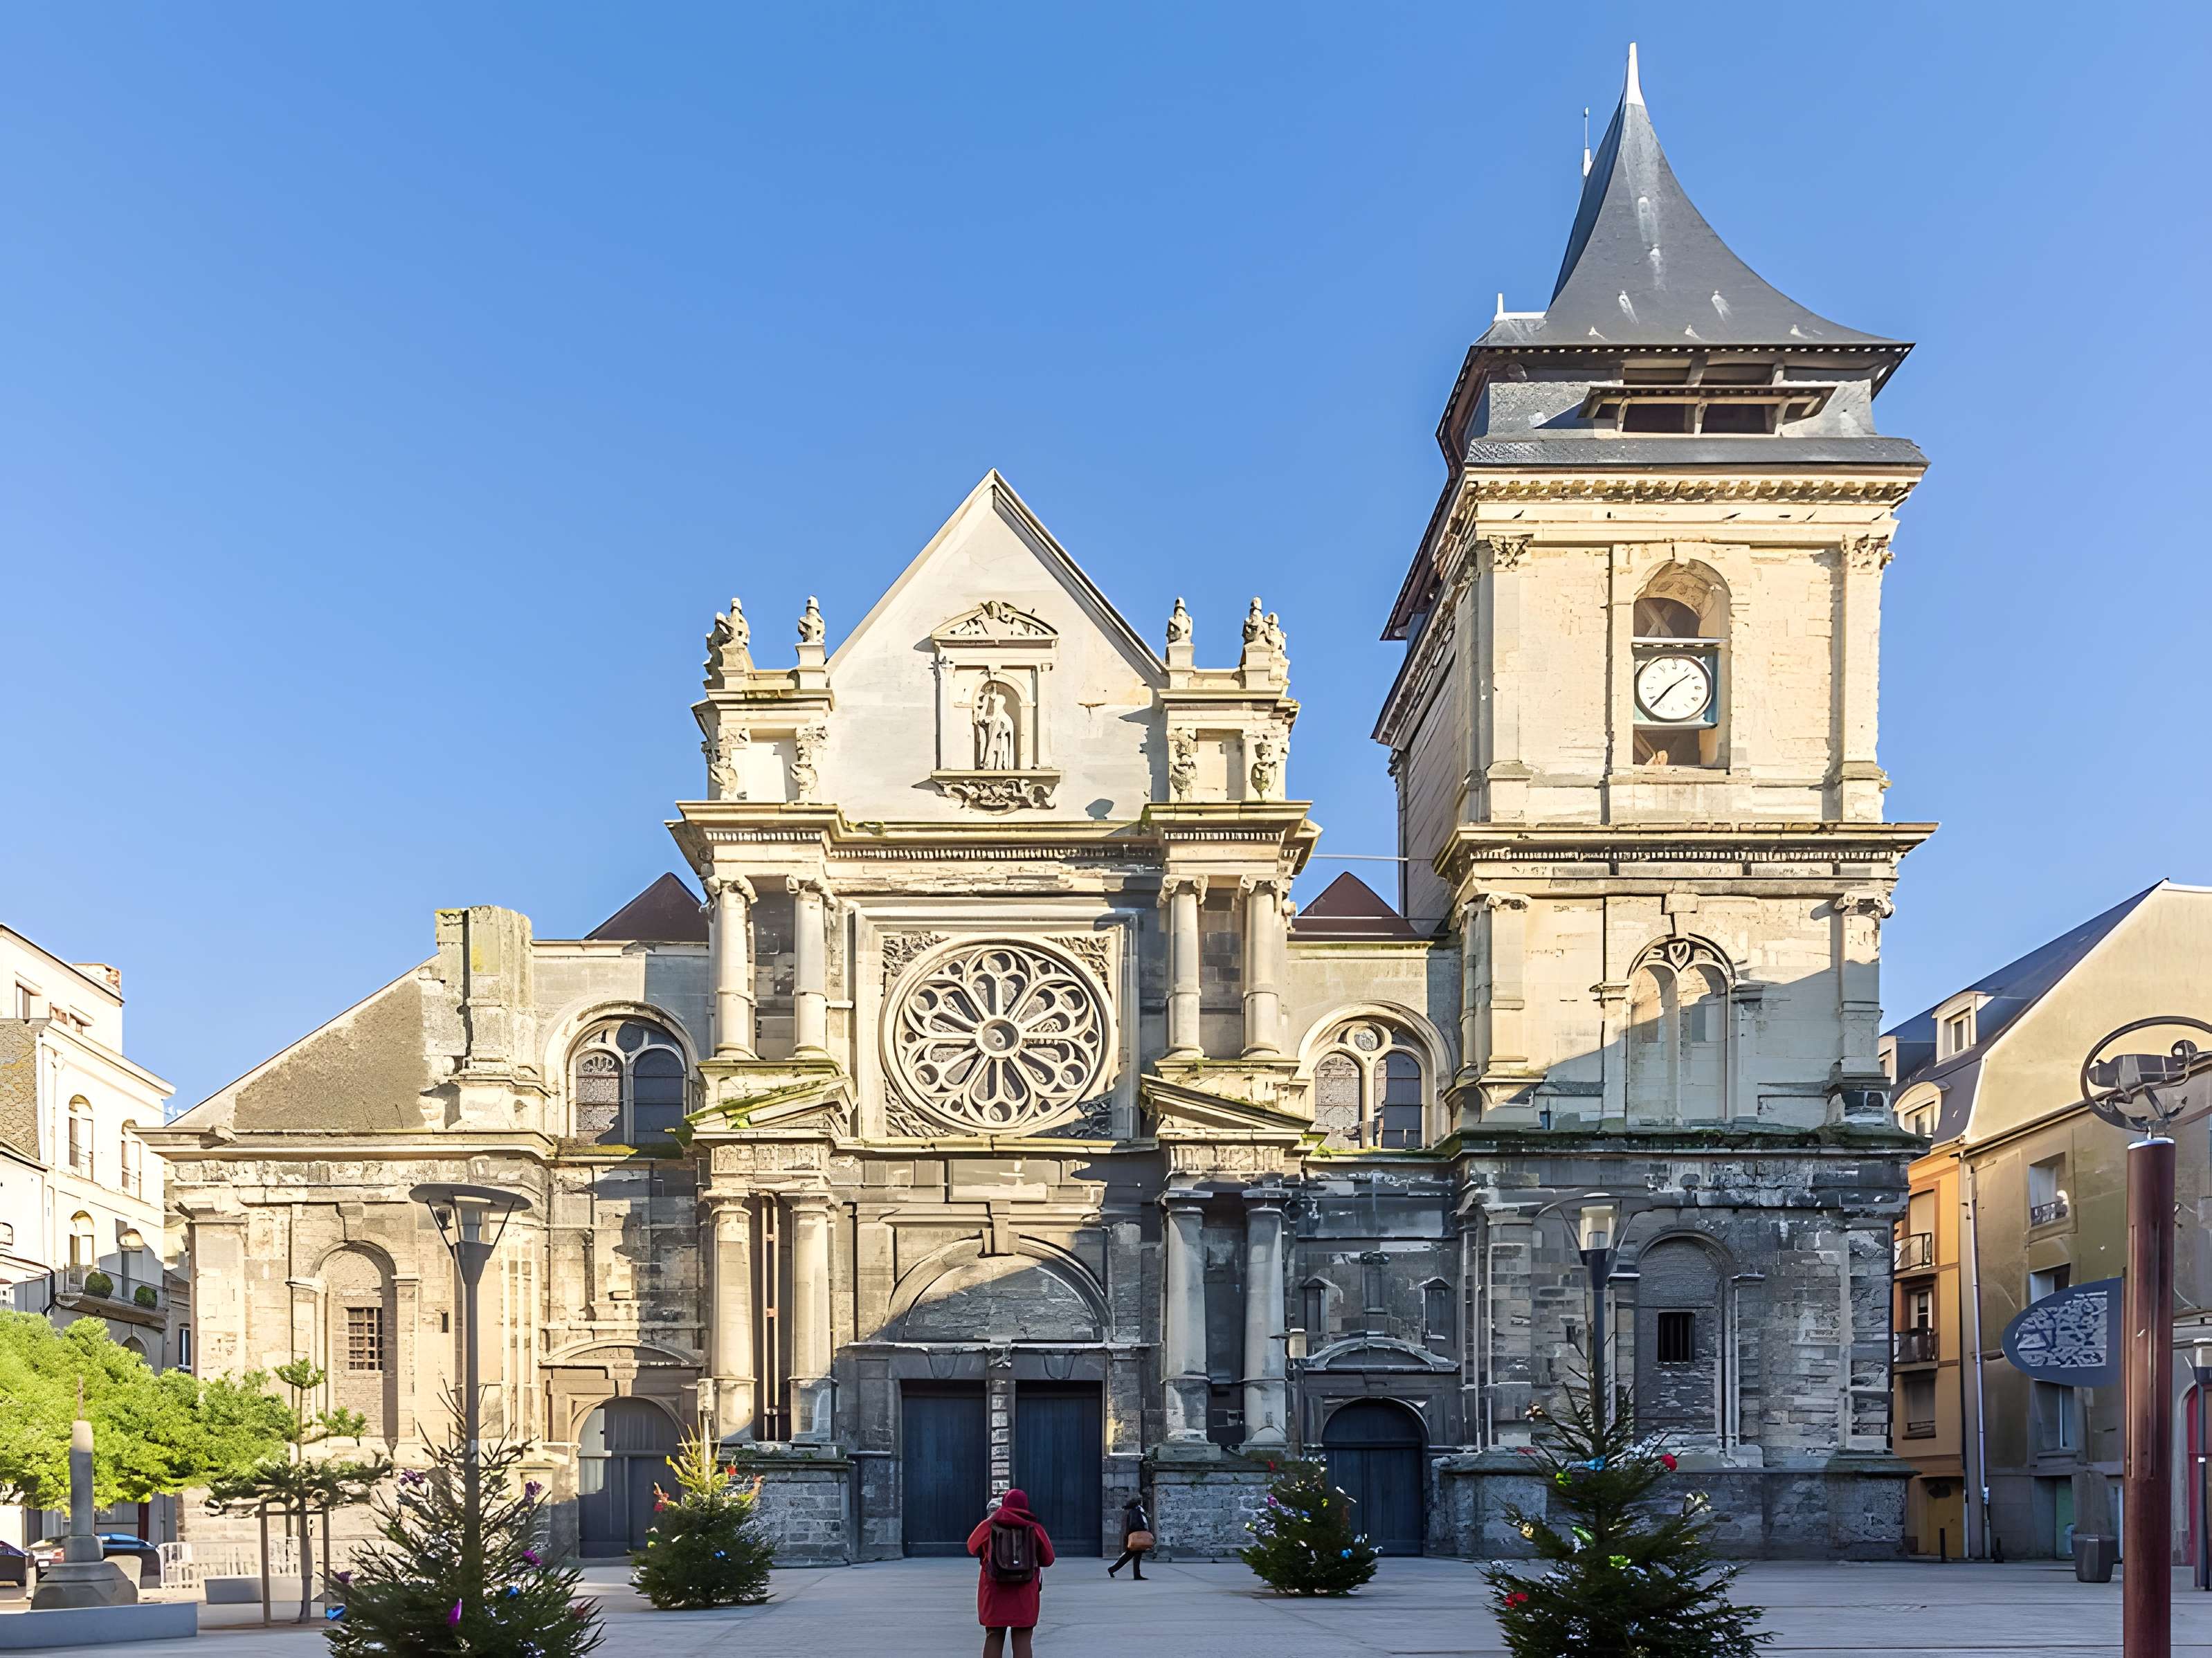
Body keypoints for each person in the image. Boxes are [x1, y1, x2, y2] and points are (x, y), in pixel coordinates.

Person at [968, 1487, 1055, 1658]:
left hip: (994, 1592)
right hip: (1024, 1593)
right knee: (1022, 1637)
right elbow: (1048, 1559)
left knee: (994, 1635)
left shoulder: (989, 1525)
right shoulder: (1035, 1528)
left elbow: (971, 1547)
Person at [1107, 1492, 1152, 1580]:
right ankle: (1115, 1570)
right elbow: (1134, 1524)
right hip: (1136, 1536)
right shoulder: (1136, 1511)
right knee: (1131, 1555)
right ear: (1138, 1503)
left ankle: (1114, 1570)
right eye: (1141, 1501)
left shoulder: (1137, 1510)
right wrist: (1143, 1529)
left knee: (1132, 1555)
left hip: (1133, 1536)